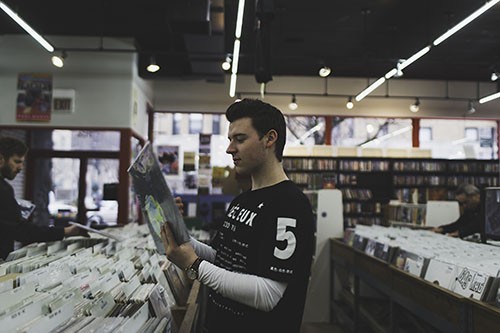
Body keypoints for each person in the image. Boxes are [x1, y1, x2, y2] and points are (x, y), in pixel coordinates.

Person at [160, 98, 316, 333]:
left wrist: (193, 264)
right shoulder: (243, 199)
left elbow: (268, 294)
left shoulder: (290, 204)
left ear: (270, 139)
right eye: (230, 139)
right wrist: (180, 236)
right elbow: (220, 258)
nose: (229, 148)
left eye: (240, 139)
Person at [0, 136, 85, 260]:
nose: (21, 167)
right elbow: (20, 230)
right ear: (1, 159)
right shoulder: (3, 189)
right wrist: (65, 231)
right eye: (17, 161)